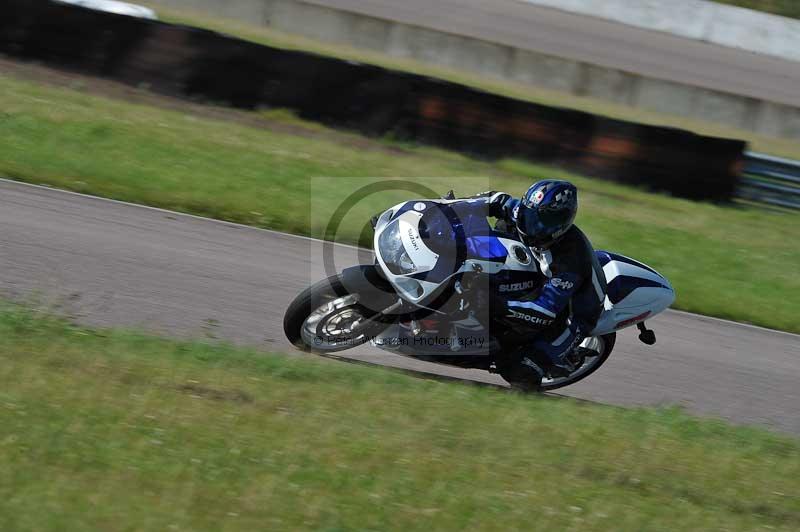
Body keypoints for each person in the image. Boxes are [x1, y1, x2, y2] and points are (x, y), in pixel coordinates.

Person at [467, 180, 606, 386]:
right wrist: (453, 207)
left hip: (571, 313)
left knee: (521, 373)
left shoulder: (570, 261)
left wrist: (495, 304)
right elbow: (494, 199)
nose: (533, 225)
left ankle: (546, 361)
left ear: (562, 223)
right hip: (539, 276)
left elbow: (545, 311)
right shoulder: (523, 213)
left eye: (542, 220)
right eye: (529, 213)